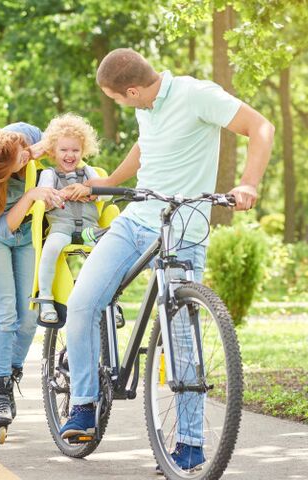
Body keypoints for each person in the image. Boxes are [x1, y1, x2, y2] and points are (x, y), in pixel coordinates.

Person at [59, 48, 275, 470]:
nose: (120, 104)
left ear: (134, 90)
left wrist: (248, 184)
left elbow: (260, 126)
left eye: (119, 98)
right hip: (137, 219)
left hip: (186, 230)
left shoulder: (198, 96)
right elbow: (147, 146)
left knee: (182, 343)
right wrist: (108, 182)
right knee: (83, 303)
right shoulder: (149, 106)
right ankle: (84, 403)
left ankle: (190, 444)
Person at [0, 123, 64, 438]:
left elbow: (61, 142)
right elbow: (3, 229)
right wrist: (31, 195)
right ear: (0, 174)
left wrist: (50, 147)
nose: (25, 160)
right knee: (5, 313)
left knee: (30, 315)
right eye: (19, 162)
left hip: (28, 233)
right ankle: (0, 389)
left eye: (24, 154)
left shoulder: (24, 136)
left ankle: (11, 370)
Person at [36, 113, 103, 324]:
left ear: (83, 151)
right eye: (63, 150)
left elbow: (106, 191)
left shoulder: (88, 172)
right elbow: (42, 197)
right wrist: (62, 194)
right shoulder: (50, 174)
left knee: (109, 253)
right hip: (62, 227)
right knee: (51, 249)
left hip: (90, 228)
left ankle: (109, 300)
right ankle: (45, 297)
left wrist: (89, 190)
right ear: (54, 152)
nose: (70, 155)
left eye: (75, 150)